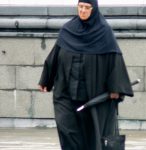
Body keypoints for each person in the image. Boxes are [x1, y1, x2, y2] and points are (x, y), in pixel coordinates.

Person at [39, 0, 133, 149]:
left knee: (91, 137)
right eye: (80, 7)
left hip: (94, 97)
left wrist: (116, 88)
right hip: (66, 95)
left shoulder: (104, 32)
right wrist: (46, 79)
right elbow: (56, 54)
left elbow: (115, 60)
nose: (82, 10)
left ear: (94, 9)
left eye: (87, 7)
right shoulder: (68, 29)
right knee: (67, 130)